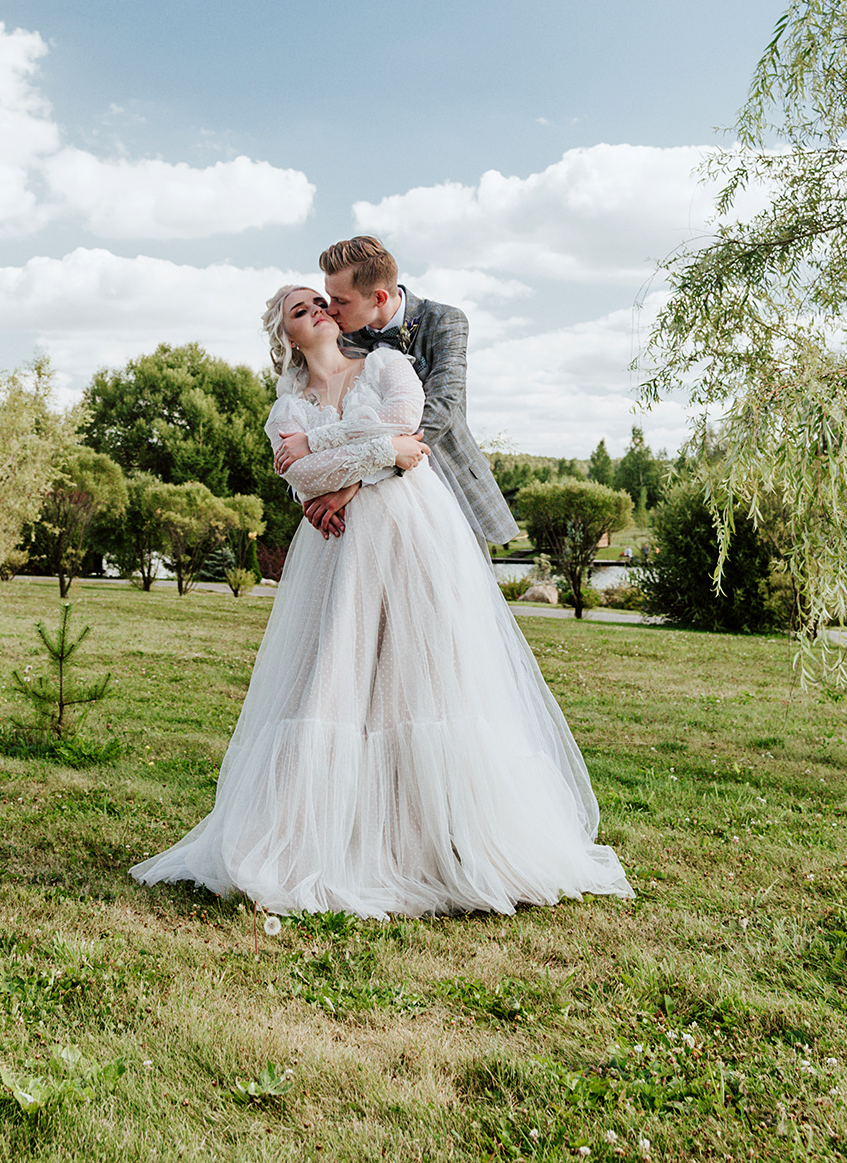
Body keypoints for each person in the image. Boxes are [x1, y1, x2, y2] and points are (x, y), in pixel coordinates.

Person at [127, 284, 632, 918]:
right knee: (336, 674)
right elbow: (307, 476)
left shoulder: (390, 365)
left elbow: (411, 441)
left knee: (424, 673)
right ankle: (332, 839)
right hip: (337, 553)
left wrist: (342, 461)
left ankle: (442, 837)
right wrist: (369, 455)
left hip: (411, 531)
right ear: (285, 335)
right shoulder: (286, 408)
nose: (318, 310)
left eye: (322, 301)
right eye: (300, 309)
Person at [303, 234, 519, 549]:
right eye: (329, 298)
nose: (330, 310)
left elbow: (441, 408)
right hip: (370, 508)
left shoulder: (445, 321)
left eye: (341, 301)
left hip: (446, 481)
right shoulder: (341, 337)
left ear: (378, 297)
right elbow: (315, 411)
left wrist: (363, 475)